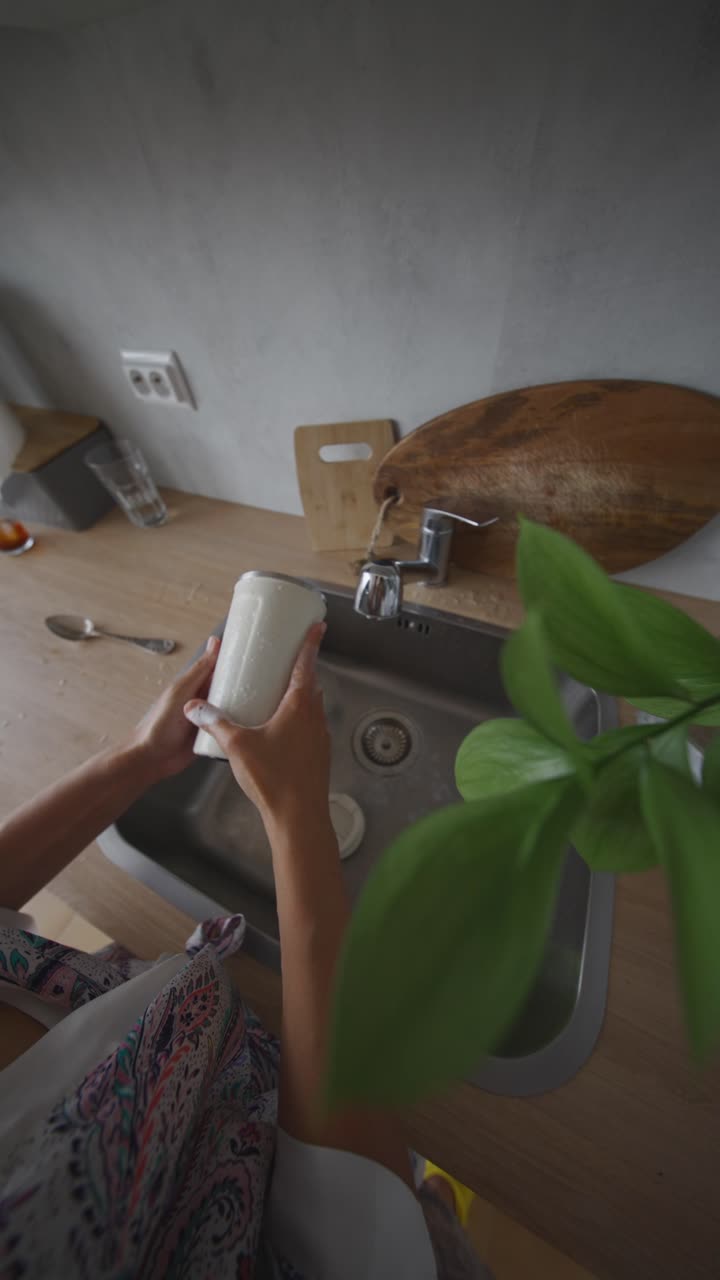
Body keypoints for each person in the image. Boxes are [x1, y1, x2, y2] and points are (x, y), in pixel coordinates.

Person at [0, 625, 489, 1278]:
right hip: (310, 1140)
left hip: (195, 1018)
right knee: (424, 1221)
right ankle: (438, 1205)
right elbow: (362, 1237)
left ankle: (435, 1198)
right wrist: (298, 816)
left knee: (424, 1197)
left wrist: (139, 757)